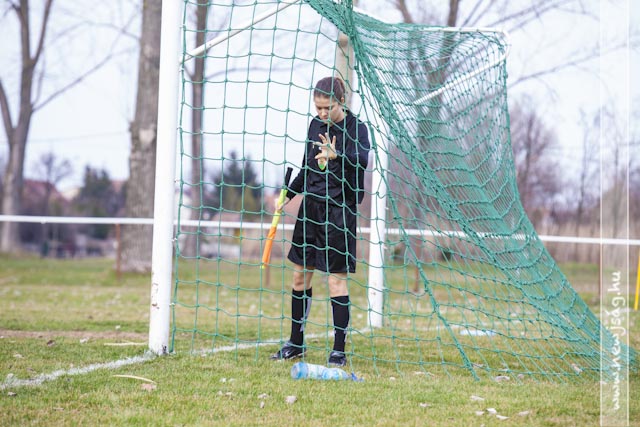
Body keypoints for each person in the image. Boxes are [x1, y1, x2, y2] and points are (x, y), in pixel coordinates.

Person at [270, 76, 370, 367]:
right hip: (310, 210)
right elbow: (307, 168)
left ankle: (338, 350)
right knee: (300, 276)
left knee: (336, 281)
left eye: (328, 108)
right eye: (319, 108)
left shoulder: (357, 128)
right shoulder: (315, 125)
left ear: (342, 102)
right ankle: (295, 343)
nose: (323, 113)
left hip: (339, 212)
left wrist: (337, 155)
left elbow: (362, 159)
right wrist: (289, 194)